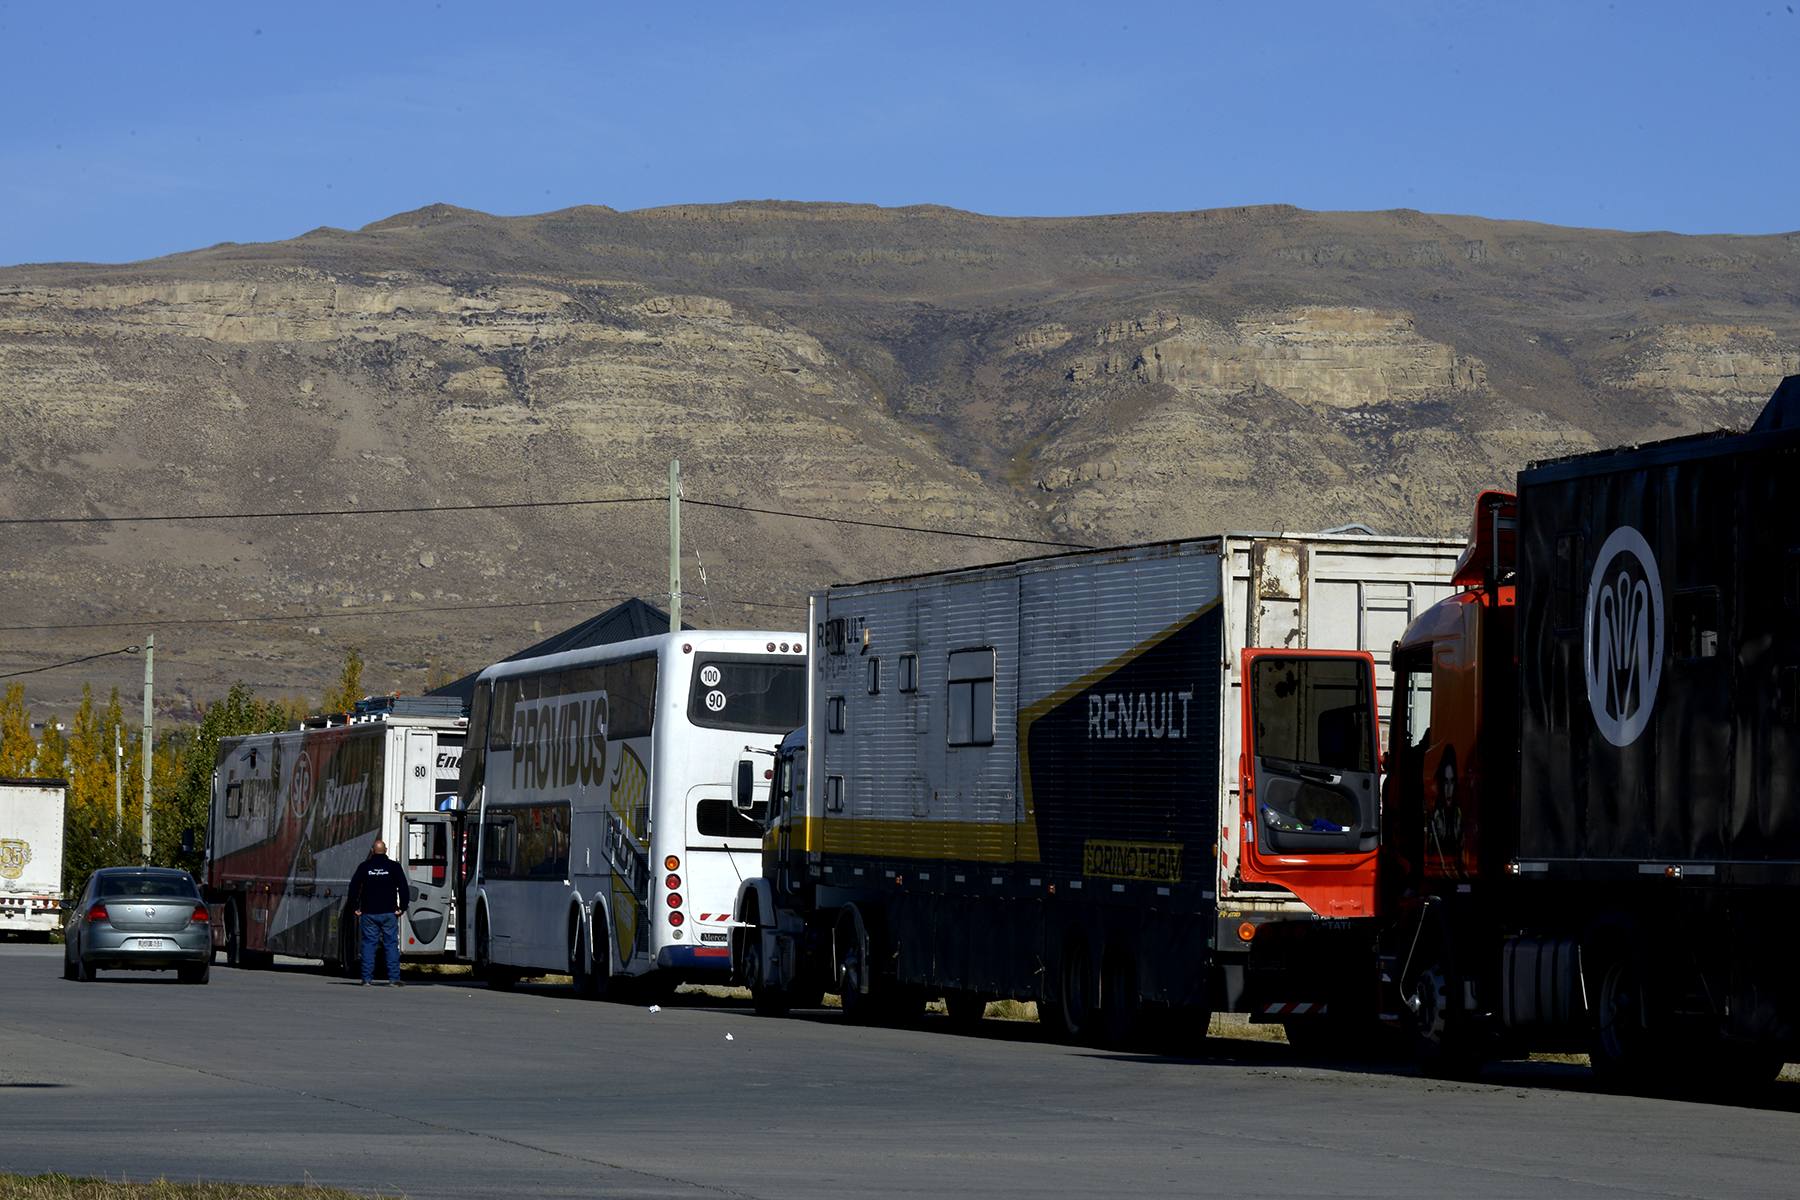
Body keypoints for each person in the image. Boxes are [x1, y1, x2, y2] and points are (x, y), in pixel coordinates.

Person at [347, 839, 409, 986]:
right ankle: (393, 979)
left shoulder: (365, 867)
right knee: (391, 945)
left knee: (368, 945)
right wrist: (403, 906)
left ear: (372, 850)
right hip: (389, 912)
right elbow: (403, 887)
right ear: (386, 850)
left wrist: (355, 906)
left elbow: (354, 887)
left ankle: (367, 979)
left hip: (369, 913)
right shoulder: (394, 867)